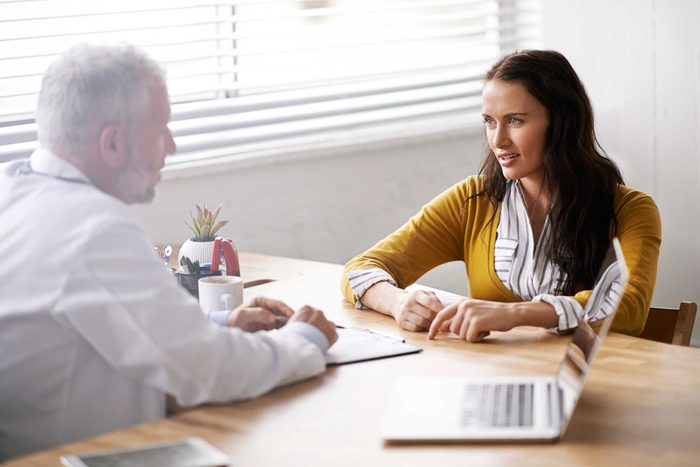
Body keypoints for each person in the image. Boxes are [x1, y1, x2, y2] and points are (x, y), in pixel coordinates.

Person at [0, 43, 337, 460]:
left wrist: (216, 322)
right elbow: (210, 372)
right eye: (162, 130)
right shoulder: (92, 229)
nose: (172, 147)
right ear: (112, 143)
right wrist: (305, 339)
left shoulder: (14, 189)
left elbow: (92, 317)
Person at [341, 49, 661, 343]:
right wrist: (398, 302)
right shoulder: (472, 200)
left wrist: (515, 314)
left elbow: (628, 307)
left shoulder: (630, 210)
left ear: (562, 123)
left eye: (515, 121)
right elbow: (360, 268)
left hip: (594, 386)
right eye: (489, 122)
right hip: (492, 378)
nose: (498, 140)